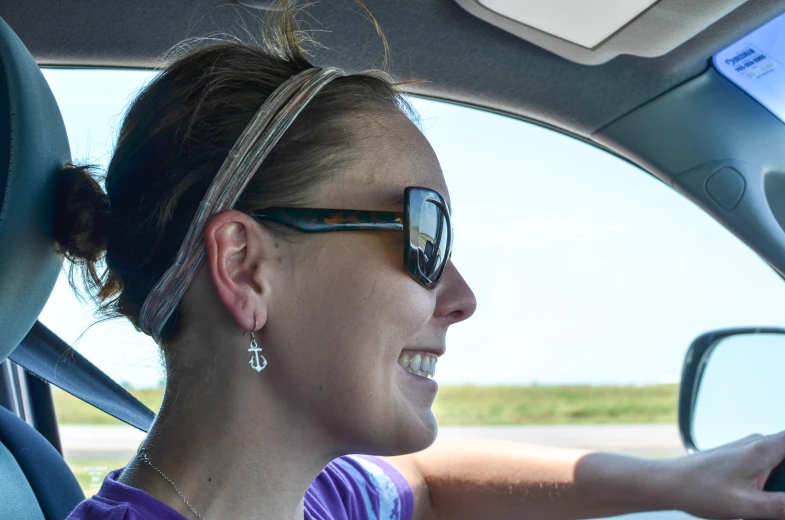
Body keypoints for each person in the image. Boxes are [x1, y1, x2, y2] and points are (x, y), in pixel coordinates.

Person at [59, 5, 785, 520]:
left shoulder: (316, 500)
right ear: (247, 267)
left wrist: (680, 481)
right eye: (424, 234)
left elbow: (425, 481)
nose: (462, 296)